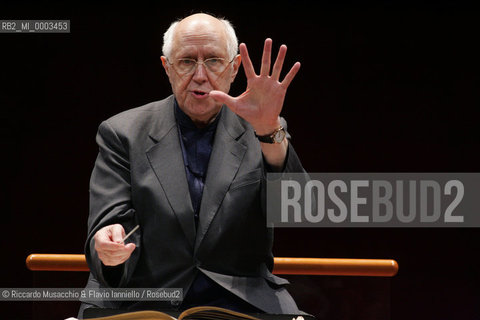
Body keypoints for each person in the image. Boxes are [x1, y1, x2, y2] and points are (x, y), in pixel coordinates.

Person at [79, 13, 306, 318]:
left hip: (241, 301)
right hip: (141, 300)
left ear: (234, 67)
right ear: (167, 68)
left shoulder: (263, 129)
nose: (200, 75)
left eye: (213, 60)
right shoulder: (123, 132)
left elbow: (298, 210)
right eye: (186, 62)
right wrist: (110, 249)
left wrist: (268, 131)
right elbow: (110, 225)